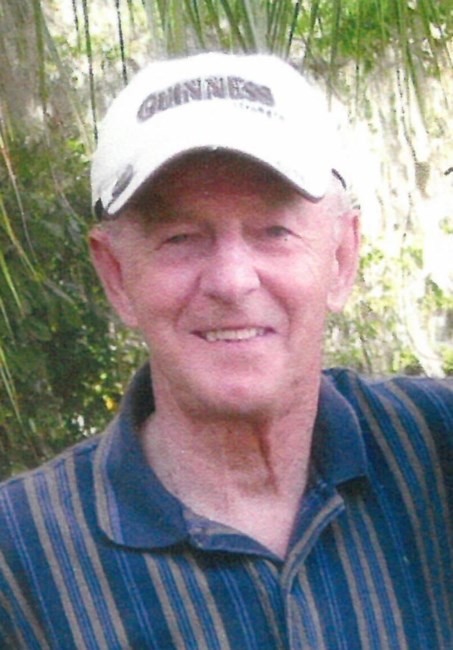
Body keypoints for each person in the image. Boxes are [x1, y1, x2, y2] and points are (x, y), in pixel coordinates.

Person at [0, 52, 451, 650]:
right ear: (116, 276)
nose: (232, 281)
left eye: (274, 231)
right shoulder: (20, 561)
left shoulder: (438, 449)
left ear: (342, 258)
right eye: (180, 238)